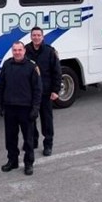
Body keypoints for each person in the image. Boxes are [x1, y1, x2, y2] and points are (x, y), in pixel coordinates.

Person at [0, 41, 42, 175]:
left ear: (24, 51)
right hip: (10, 108)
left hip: (26, 109)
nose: (17, 52)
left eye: (19, 50)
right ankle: (12, 161)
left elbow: (37, 90)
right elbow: (1, 85)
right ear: (12, 51)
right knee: (10, 138)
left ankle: (28, 163)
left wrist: (35, 108)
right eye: (15, 50)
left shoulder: (32, 67)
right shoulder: (7, 65)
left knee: (28, 139)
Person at [25, 26, 62, 156]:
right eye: (34, 35)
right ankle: (33, 141)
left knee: (47, 120)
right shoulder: (26, 50)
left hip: (46, 92)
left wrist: (55, 90)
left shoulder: (50, 51)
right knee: (31, 118)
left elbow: (57, 72)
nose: (36, 37)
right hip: (30, 92)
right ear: (31, 37)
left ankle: (48, 144)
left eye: (38, 35)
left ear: (42, 37)